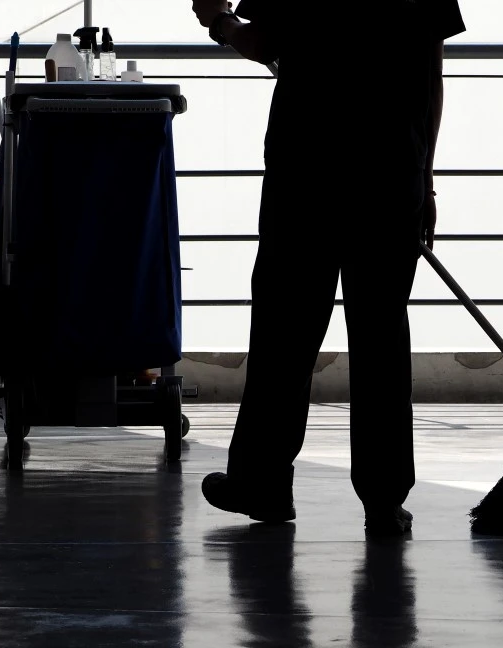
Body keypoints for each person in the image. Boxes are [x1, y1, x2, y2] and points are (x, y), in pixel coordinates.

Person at [190, 0, 466, 536]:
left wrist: (219, 23)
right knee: (381, 338)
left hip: (307, 170)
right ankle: (384, 501)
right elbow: (430, 80)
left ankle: (263, 482)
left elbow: (264, 42)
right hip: (390, 172)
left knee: (284, 333)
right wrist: (424, 178)